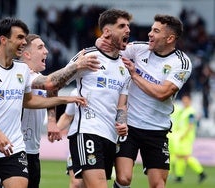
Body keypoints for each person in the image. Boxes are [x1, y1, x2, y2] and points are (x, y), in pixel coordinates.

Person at [0, 17, 92, 188]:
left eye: (25, 38)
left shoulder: (22, 70)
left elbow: (29, 101)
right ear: (3, 39)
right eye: (20, 38)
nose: (23, 42)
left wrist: (63, 99)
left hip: (15, 147)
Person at [97, 14, 192, 188]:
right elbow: (108, 48)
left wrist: (134, 74)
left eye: (155, 31)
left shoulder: (181, 63)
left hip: (157, 130)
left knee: (158, 184)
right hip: (129, 127)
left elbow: (163, 93)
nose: (149, 34)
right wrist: (99, 42)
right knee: (124, 178)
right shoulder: (138, 49)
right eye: (151, 29)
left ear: (170, 38)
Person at [19, 34, 99, 188]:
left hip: (32, 150)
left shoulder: (37, 76)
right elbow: (50, 83)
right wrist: (76, 65)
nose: (46, 51)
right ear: (27, 54)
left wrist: (51, 121)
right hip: (15, 151)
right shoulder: (21, 74)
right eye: (40, 47)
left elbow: (51, 87)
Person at [66, 9, 132, 188]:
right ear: (107, 32)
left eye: (128, 26)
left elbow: (122, 105)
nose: (128, 30)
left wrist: (122, 122)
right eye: (122, 26)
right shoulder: (87, 56)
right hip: (87, 130)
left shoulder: (124, 67)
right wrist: (51, 120)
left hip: (110, 136)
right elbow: (54, 83)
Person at [172, 94, 207, 183]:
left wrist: (184, 134)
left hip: (186, 137)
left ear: (190, 101)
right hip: (181, 136)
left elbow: (190, 125)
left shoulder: (191, 112)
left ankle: (201, 173)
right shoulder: (184, 111)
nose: (184, 102)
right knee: (179, 156)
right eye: (183, 100)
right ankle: (179, 176)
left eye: (186, 100)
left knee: (186, 156)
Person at [57, 88, 84, 188]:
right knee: (76, 183)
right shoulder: (75, 92)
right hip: (76, 140)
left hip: (100, 140)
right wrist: (55, 129)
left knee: (91, 183)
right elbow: (68, 116)